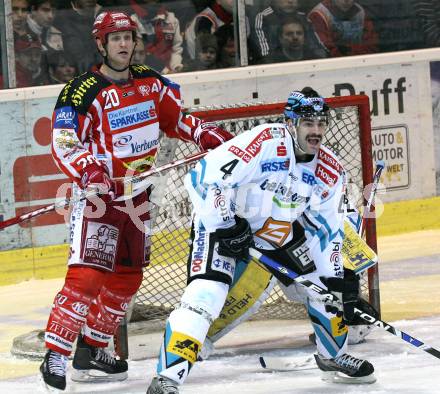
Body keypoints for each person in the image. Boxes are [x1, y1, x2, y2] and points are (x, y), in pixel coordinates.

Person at [39, 11, 232, 392]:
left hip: (138, 197)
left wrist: (202, 132)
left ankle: (92, 349)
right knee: (88, 276)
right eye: (116, 38)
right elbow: (63, 141)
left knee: (128, 277)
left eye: (128, 37)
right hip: (100, 198)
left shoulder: (148, 82)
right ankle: (56, 354)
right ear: (101, 44)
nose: (124, 44)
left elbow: (175, 117)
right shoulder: (81, 91)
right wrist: (89, 172)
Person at [147, 87, 376, 393]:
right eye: (308, 123)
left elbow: (327, 233)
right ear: (291, 122)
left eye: (321, 123)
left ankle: (332, 356)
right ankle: (167, 379)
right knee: (206, 295)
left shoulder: (329, 171)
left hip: (275, 231)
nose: (316, 130)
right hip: (221, 225)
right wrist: (227, 224)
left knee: (324, 290)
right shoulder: (264, 142)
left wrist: (335, 282)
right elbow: (203, 177)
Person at [252, 0, 327, 62]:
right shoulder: (264, 17)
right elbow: (265, 55)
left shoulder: (304, 18)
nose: (290, 1)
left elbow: (318, 49)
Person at [308, 0, 378, 57]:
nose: (346, 0)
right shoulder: (318, 15)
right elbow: (323, 50)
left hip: (361, 61)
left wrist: (351, 51)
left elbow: (372, 44)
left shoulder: (360, 12)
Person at [130, 0, 184, 74]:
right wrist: (165, 70)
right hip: (144, 73)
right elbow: (139, 54)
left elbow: (176, 49)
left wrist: (176, 67)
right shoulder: (133, 22)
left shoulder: (171, 20)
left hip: (170, 72)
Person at [263, 15, 328, 63]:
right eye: (289, 34)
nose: (295, 37)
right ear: (280, 38)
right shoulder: (271, 62)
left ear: (304, 37)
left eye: (299, 33)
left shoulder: (314, 60)